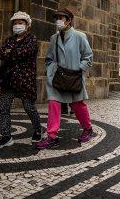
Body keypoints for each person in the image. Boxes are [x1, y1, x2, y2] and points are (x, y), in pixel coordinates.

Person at [37, 8, 94, 149]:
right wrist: (51, 70)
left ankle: (88, 129)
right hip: (57, 77)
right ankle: (52, 137)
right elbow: (49, 58)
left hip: (74, 77)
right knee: (54, 104)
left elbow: (88, 57)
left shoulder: (80, 36)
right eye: (57, 18)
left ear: (69, 20)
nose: (58, 21)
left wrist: (78, 68)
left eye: (61, 18)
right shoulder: (54, 38)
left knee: (77, 104)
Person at [0, 12, 42, 149]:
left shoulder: (32, 39)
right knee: (3, 108)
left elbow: (24, 52)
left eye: (20, 23)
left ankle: (38, 130)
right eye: (15, 23)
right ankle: (6, 136)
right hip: (8, 79)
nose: (17, 25)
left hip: (25, 80)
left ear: (27, 25)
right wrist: (12, 52)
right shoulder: (9, 40)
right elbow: (1, 53)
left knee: (29, 107)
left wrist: (11, 52)